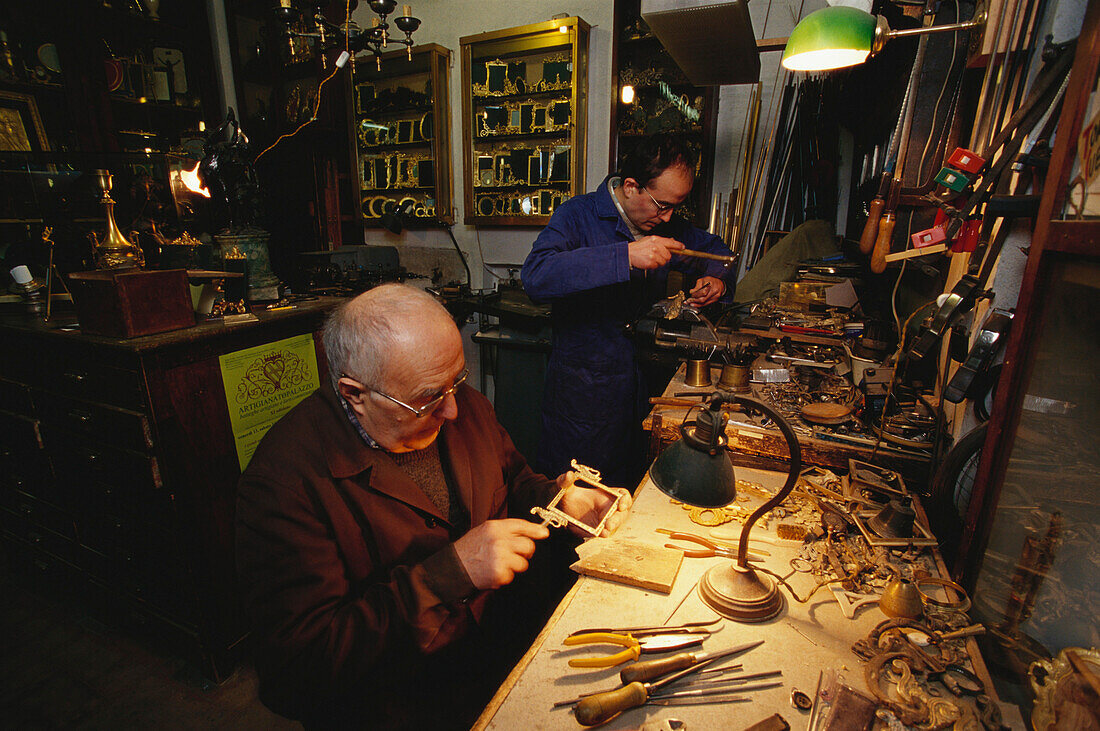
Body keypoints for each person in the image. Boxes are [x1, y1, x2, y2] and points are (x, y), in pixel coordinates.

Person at [235, 284, 631, 730]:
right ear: (354, 394)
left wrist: (560, 500)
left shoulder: (459, 404)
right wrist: (448, 575)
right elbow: (296, 673)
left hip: (498, 665)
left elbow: (514, 479)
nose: (454, 410)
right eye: (426, 398)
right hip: (403, 708)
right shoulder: (284, 483)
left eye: (458, 381)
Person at [521, 133, 736, 488]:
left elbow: (717, 252)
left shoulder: (665, 222)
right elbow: (536, 277)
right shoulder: (579, 215)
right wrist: (624, 256)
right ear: (632, 186)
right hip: (583, 398)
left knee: (630, 495)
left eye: (674, 207)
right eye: (661, 205)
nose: (667, 217)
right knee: (575, 501)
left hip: (640, 388)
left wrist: (717, 281)